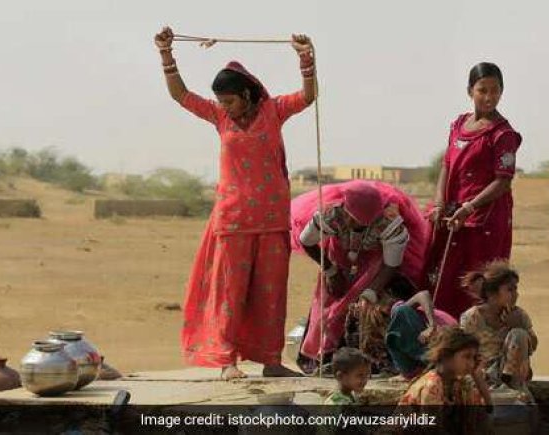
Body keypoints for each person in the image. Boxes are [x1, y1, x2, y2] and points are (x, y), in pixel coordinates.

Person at [154, 27, 316, 380]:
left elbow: (307, 97)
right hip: (233, 221)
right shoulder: (219, 117)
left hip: (272, 220)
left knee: (271, 295)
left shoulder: (274, 111)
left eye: (229, 100)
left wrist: (306, 60)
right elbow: (181, 95)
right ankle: (227, 361)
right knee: (231, 293)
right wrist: (167, 55)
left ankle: (272, 361)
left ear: (246, 94)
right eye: (221, 101)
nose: (224, 106)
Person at [291, 181, 437, 373]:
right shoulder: (331, 215)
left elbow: (391, 264)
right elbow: (306, 241)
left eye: (363, 222)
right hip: (339, 257)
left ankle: (374, 361)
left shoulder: (390, 224)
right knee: (329, 308)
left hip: (377, 265)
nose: (357, 224)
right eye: (353, 219)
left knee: (370, 311)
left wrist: (370, 292)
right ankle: (327, 358)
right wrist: (330, 271)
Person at [426, 62, 522, 319]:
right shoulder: (458, 125)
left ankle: (481, 346)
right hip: (453, 217)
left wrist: (469, 207)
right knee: (443, 279)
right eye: (483, 90)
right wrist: (438, 203)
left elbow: (503, 181)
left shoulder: (503, 134)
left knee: (479, 285)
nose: (489, 97)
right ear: (470, 91)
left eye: (495, 90)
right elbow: (447, 166)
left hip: (484, 222)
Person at [459, 261, 536, 402]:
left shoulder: (519, 315)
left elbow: (534, 345)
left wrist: (517, 325)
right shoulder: (471, 318)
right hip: (482, 375)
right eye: (510, 290)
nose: (515, 294)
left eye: (516, 289)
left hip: (513, 376)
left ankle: (510, 387)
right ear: (491, 293)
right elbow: (463, 351)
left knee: (519, 333)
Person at [398, 327, 490, 433]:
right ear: (446, 356)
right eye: (466, 357)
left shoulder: (460, 384)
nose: (471, 363)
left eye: (474, 358)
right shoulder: (432, 384)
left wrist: (477, 376)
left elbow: (486, 412)